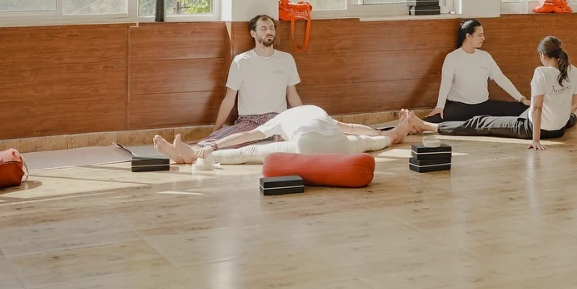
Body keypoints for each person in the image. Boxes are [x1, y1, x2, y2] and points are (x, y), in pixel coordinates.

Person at [153, 15, 300, 159]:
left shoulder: (286, 59)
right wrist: (216, 130)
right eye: (263, 28)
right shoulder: (241, 61)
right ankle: (181, 154)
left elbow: (293, 96)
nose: (269, 32)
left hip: (278, 119)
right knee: (223, 139)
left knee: (229, 141)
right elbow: (229, 100)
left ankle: (184, 154)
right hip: (250, 121)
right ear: (253, 33)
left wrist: (303, 118)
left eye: (271, 28)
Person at [437, 36, 577, 150]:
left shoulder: (541, 73)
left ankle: (430, 126)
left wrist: (536, 140)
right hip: (559, 129)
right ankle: (571, 111)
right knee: (569, 114)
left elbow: (537, 108)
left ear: (543, 55)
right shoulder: (573, 71)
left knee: (481, 122)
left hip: (532, 128)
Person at [155, 105, 437, 164]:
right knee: (374, 142)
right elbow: (352, 130)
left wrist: (215, 143)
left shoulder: (281, 119)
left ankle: (193, 155)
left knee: (247, 153)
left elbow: (246, 138)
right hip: (340, 146)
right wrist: (378, 131)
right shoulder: (317, 111)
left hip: (306, 147)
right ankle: (400, 129)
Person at [427, 19, 530, 121]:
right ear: (468, 36)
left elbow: (500, 78)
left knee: (527, 109)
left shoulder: (485, 56)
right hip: (459, 106)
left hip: (483, 105)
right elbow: (446, 83)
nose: (483, 38)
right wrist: (440, 106)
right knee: (433, 119)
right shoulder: (452, 57)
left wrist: (521, 98)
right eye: (480, 35)